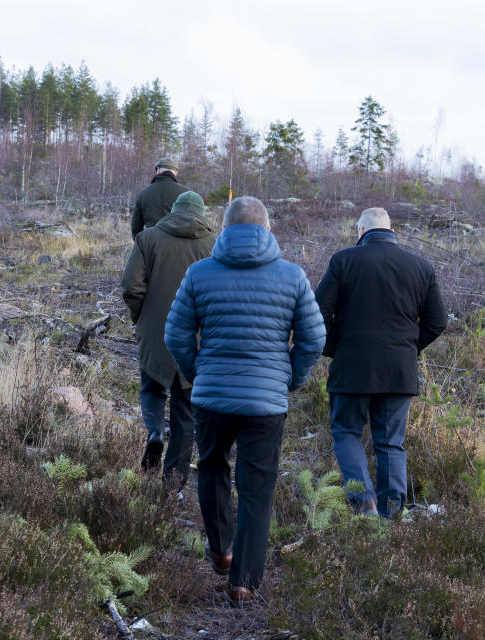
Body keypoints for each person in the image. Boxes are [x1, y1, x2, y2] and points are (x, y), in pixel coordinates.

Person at [165, 197, 325, 603]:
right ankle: (244, 582)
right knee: (256, 488)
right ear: (268, 230)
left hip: (212, 397)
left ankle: (220, 551)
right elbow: (314, 337)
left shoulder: (199, 273)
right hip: (265, 404)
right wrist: (291, 376)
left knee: (212, 467)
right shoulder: (292, 277)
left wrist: (198, 371)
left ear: (222, 230)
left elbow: (175, 333)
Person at [314, 207, 447, 518]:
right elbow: (438, 322)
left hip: (352, 367)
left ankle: (365, 504)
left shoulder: (344, 260)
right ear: (392, 230)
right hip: (399, 371)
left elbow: (316, 313)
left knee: (347, 433)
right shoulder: (421, 266)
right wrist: (408, 349)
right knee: (390, 443)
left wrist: (336, 348)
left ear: (360, 231)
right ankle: (391, 515)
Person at [121, 191, 216, 490]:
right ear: (201, 213)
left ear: (173, 210)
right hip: (196, 336)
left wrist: (141, 316)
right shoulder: (215, 244)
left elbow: (130, 285)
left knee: (151, 387)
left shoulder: (148, 238)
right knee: (185, 412)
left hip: (155, 330)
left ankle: (154, 433)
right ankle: (172, 486)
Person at [131, 158, 189, 240]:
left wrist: (142, 245)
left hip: (152, 244)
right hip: (180, 246)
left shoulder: (143, 193)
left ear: (158, 170)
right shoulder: (186, 193)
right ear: (176, 172)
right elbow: (194, 223)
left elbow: (136, 228)